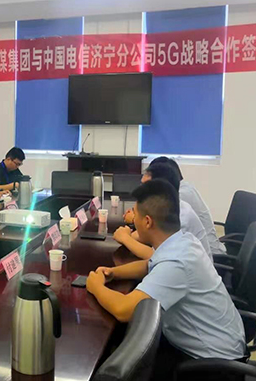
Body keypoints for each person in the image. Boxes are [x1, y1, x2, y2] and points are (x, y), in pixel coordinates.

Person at [87, 180, 245, 381]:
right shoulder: (183, 240)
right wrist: (114, 273)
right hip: (214, 345)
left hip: (214, 366)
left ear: (147, 222)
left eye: (135, 214)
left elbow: (123, 310)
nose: (133, 219)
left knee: (126, 354)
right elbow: (150, 264)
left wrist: (96, 286)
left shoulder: (177, 262)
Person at [117, 163, 212, 261]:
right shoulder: (170, 206)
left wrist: (125, 238)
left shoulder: (179, 214)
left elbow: (155, 256)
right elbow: (143, 236)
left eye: (146, 186)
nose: (142, 189)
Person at [150, 156, 226, 254]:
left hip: (209, 255)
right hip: (199, 249)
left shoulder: (180, 196)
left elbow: (159, 231)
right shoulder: (186, 187)